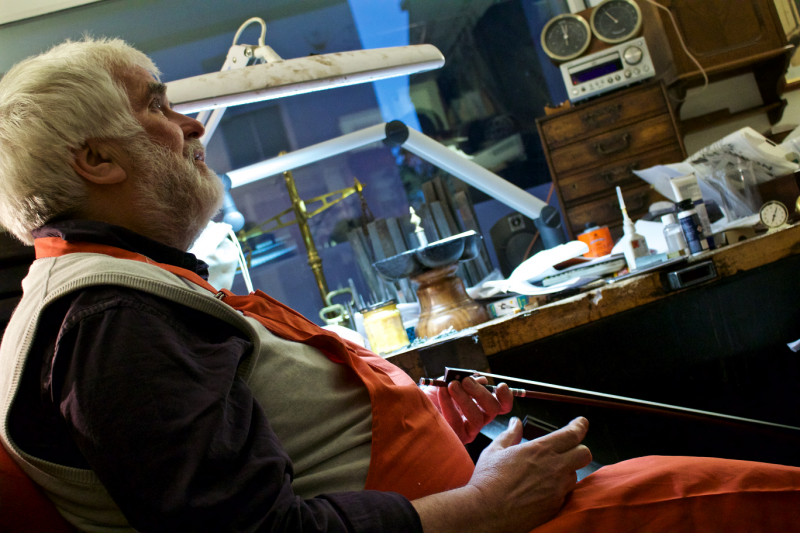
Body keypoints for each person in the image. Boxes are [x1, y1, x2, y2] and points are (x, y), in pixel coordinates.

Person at [0, 38, 798, 533]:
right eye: (159, 106)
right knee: (739, 492)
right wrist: (481, 506)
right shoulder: (111, 320)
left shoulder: (125, 289)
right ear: (96, 160)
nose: (193, 125)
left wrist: (418, 416)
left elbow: (250, 446)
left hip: (455, 501)